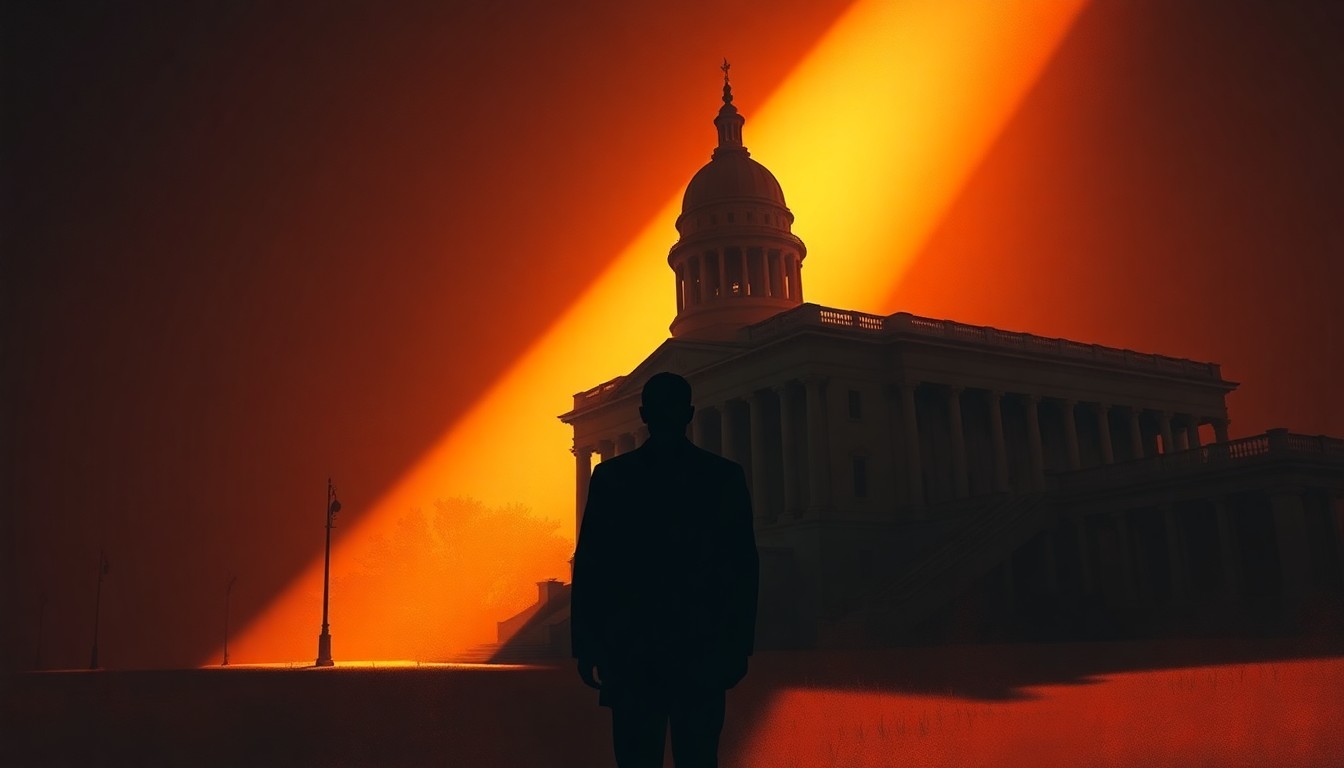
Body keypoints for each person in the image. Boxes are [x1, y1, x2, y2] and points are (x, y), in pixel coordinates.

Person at [571, 371, 759, 768]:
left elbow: (592, 568)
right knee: (698, 757)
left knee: (638, 759)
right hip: (699, 649)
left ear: (643, 415)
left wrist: (586, 645)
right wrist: (739, 644)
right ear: (690, 413)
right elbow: (742, 569)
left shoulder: (612, 477)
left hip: (632, 651)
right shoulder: (722, 476)